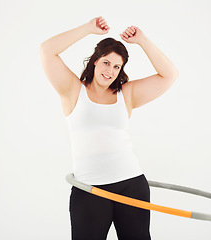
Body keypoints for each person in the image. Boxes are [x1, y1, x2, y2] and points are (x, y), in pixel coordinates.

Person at [40, 16, 179, 240]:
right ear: (95, 61)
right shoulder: (73, 90)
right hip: (89, 188)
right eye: (106, 62)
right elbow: (47, 50)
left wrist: (142, 40)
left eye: (117, 66)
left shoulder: (128, 94)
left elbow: (170, 75)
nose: (110, 70)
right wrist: (88, 28)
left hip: (131, 184)